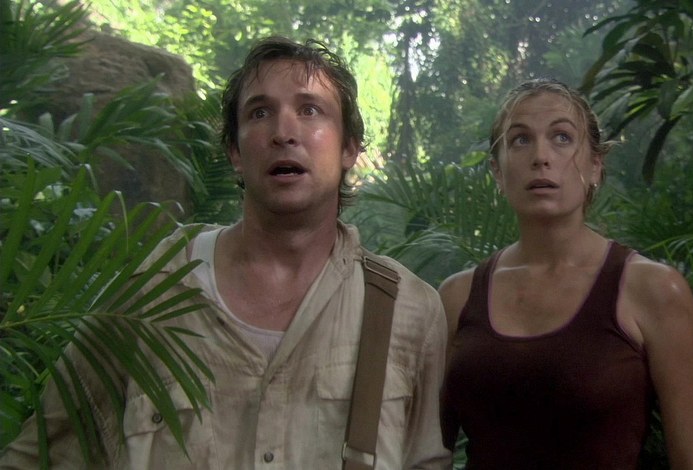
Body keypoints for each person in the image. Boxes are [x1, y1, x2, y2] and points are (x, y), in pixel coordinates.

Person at [1, 36, 451, 469]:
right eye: (260, 113)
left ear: (349, 147)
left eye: (310, 110)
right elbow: (41, 451)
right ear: (235, 151)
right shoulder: (157, 285)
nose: (283, 132)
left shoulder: (407, 310)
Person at [439, 79, 693, 469]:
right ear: (498, 172)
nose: (541, 157)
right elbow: (427, 452)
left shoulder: (653, 290)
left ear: (595, 165)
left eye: (562, 138)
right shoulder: (457, 297)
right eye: (520, 140)